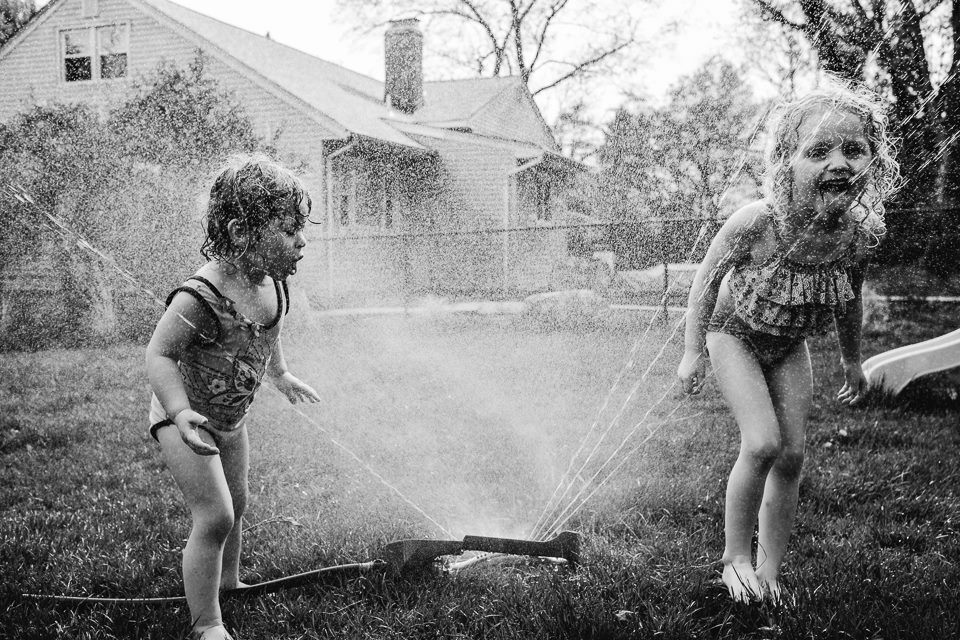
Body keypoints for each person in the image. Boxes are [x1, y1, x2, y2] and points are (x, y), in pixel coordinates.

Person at [677, 82, 900, 604]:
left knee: (793, 454)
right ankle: (735, 559)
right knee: (762, 444)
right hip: (732, 336)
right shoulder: (756, 223)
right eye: (818, 151)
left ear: (874, 161)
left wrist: (853, 362)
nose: (839, 162)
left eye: (854, 149)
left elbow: (849, 300)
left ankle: (770, 574)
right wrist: (691, 352)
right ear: (785, 163)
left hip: (788, 346)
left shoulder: (857, 235)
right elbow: (704, 285)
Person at [146, 155, 321, 640]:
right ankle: (207, 624)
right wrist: (179, 413)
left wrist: (281, 374)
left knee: (238, 502)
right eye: (289, 230)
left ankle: (228, 581)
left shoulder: (272, 285)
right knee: (216, 515)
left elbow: (270, 326)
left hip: (231, 419)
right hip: (184, 418)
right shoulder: (201, 297)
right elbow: (158, 355)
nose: (302, 240)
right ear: (242, 232)